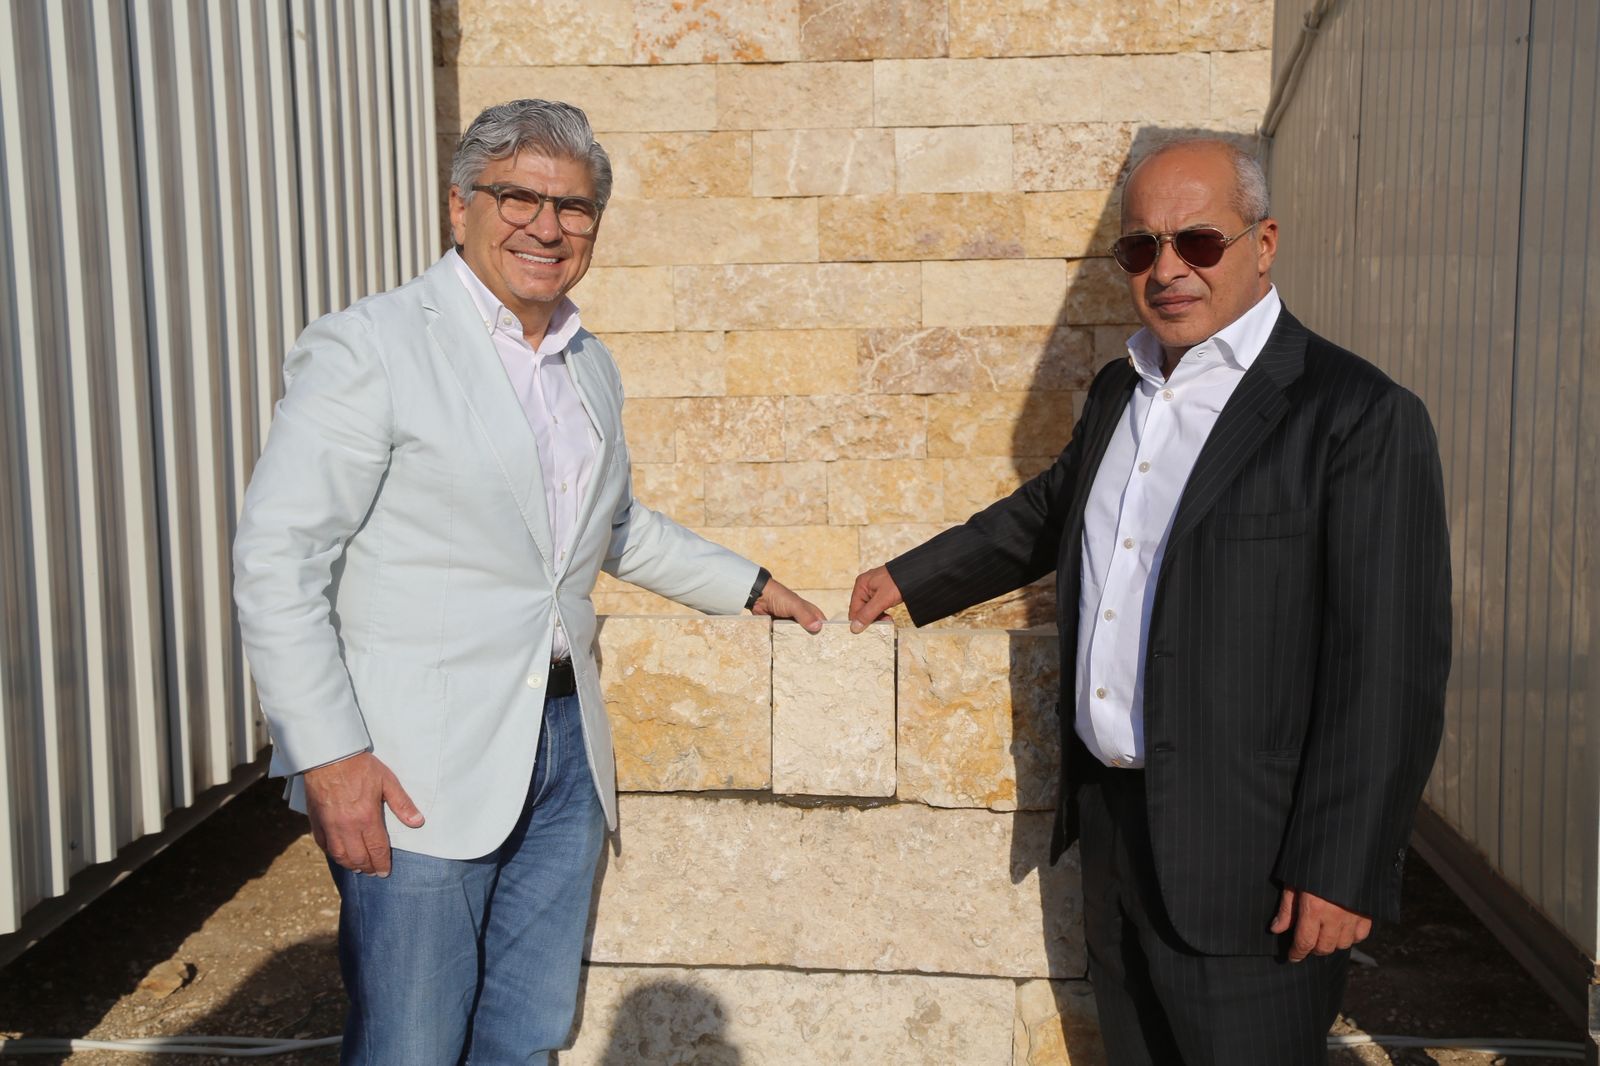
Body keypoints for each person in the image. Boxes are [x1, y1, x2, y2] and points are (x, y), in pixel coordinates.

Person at [233, 98, 823, 1065]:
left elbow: (607, 527)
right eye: (518, 197)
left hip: (562, 751)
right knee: (411, 1046)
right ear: (459, 204)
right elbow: (277, 559)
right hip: (412, 768)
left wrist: (751, 586)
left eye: (574, 207)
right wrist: (328, 754)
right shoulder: (370, 345)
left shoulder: (588, 363)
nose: (547, 227)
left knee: (524, 1039)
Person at [849, 138, 1450, 1064]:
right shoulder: (1120, 388)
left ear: (1263, 243)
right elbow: (1051, 510)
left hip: (1255, 871)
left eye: (1197, 242)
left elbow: (1391, 668)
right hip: (1118, 842)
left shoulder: (1356, 414)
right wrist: (910, 578)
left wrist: (1343, 864)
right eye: (1140, 248)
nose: (1167, 270)